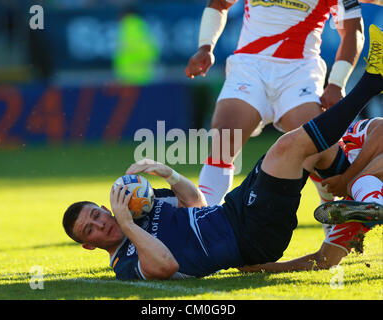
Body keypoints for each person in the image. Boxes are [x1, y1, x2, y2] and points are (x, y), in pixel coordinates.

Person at [63, 25, 383, 280]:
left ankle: (357, 206)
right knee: (289, 146)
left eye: (97, 214)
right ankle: (370, 84)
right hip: (248, 235)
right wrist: (128, 227)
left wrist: (168, 173)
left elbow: (195, 204)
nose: (102, 223)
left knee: (316, 153)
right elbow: (165, 266)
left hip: (233, 209)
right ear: (89, 245)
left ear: (104, 207)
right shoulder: (125, 264)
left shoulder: (138, 208)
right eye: (90, 230)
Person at [185, 0, 364, 208]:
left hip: (299, 71)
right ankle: (203, 215)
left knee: (316, 147)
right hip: (250, 66)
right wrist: (205, 46)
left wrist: (336, 83)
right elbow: (219, 4)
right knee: (226, 134)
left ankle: (329, 208)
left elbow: (353, 31)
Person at [239, 117, 383, 273]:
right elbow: (322, 262)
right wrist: (260, 267)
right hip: (359, 199)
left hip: (356, 187)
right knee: (326, 259)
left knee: (311, 146)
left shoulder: (322, 149)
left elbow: (380, 129)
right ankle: (373, 206)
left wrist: (346, 179)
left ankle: (373, 205)